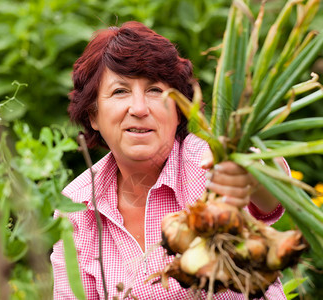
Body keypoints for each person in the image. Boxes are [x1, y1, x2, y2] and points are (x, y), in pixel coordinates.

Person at [51, 21, 288, 299]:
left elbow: (271, 184)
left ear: (179, 110)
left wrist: (248, 175)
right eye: (120, 91)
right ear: (93, 115)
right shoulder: (78, 205)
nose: (139, 108)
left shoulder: (207, 163)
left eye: (154, 90)